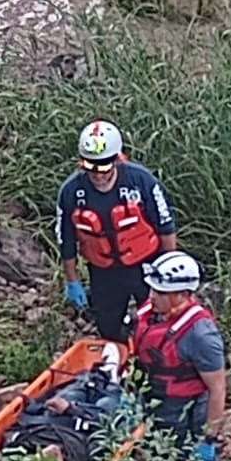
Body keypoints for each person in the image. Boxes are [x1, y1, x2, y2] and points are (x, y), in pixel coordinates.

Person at [130, 250, 231, 461]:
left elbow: (217, 388)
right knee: (161, 459)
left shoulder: (201, 334)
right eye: (153, 290)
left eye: (160, 292)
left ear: (181, 294)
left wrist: (210, 438)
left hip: (185, 407)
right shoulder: (153, 311)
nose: (152, 296)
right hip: (153, 396)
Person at [55, 119, 177, 340]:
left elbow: (165, 225)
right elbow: (66, 240)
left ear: (117, 159)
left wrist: (169, 267)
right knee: (108, 327)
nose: (98, 174)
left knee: (158, 323)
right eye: (91, 167)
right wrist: (72, 281)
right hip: (104, 271)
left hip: (146, 264)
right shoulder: (71, 192)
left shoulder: (141, 181)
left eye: (104, 167)